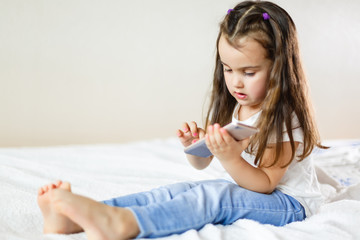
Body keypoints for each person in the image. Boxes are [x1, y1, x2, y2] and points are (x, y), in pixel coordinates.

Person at [37, 1, 327, 239]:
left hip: (290, 203)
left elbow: (264, 184)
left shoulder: (283, 117)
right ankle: (76, 217)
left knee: (215, 197)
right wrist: (198, 147)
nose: (236, 83)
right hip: (255, 190)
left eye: (249, 72)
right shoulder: (242, 105)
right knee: (177, 191)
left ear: (279, 68)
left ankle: (125, 224)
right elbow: (203, 164)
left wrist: (230, 158)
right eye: (228, 69)